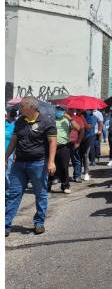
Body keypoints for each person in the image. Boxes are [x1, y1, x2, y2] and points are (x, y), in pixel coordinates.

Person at [5, 97, 57, 236]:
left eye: (21, 106)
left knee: (40, 194)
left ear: (31, 107)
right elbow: (14, 140)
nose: (19, 109)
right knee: (14, 194)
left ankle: (39, 222)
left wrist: (51, 161)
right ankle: (5, 224)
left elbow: (52, 142)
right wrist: (5, 157)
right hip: (19, 164)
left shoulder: (47, 121)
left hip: (39, 163)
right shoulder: (21, 121)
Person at [50, 106, 75, 194]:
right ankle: (48, 184)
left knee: (64, 166)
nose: (59, 112)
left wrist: (70, 119)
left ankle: (65, 185)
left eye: (61, 110)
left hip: (63, 146)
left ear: (64, 111)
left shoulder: (67, 120)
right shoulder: (51, 119)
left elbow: (78, 128)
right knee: (50, 166)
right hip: (51, 146)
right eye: (57, 110)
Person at [67, 109, 86, 183]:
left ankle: (77, 176)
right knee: (63, 162)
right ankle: (62, 177)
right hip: (64, 143)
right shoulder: (62, 118)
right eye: (69, 109)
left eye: (72, 109)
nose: (70, 110)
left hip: (74, 142)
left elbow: (82, 131)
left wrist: (78, 142)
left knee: (76, 160)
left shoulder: (78, 118)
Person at [81, 110, 98, 180]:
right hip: (80, 137)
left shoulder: (92, 117)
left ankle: (86, 172)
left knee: (85, 155)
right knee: (79, 155)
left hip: (89, 137)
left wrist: (83, 119)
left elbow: (88, 127)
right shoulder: (80, 114)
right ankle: (77, 174)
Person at [5, 108, 18, 190]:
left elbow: (17, 141)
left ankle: (8, 191)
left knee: (8, 173)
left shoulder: (16, 125)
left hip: (10, 153)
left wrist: (15, 154)